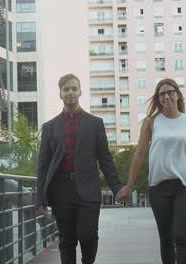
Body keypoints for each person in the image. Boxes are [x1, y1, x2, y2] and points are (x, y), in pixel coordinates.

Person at [116, 78, 186, 264]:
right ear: (158, 99)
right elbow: (139, 154)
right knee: (166, 238)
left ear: (177, 95)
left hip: (185, 186)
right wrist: (129, 185)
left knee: (181, 235)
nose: (166, 96)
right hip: (159, 187)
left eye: (170, 92)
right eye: (162, 94)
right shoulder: (151, 122)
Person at [36, 73, 123, 264]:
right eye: (66, 89)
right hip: (61, 190)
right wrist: (40, 197)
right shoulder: (49, 127)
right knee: (67, 240)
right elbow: (43, 165)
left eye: (74, 88)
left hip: (88, 189)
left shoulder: (95, 124)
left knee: (88, 235)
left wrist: (117, 188)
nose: (70, 93)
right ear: (60, 93)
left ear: (80, 91)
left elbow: (105, 160)